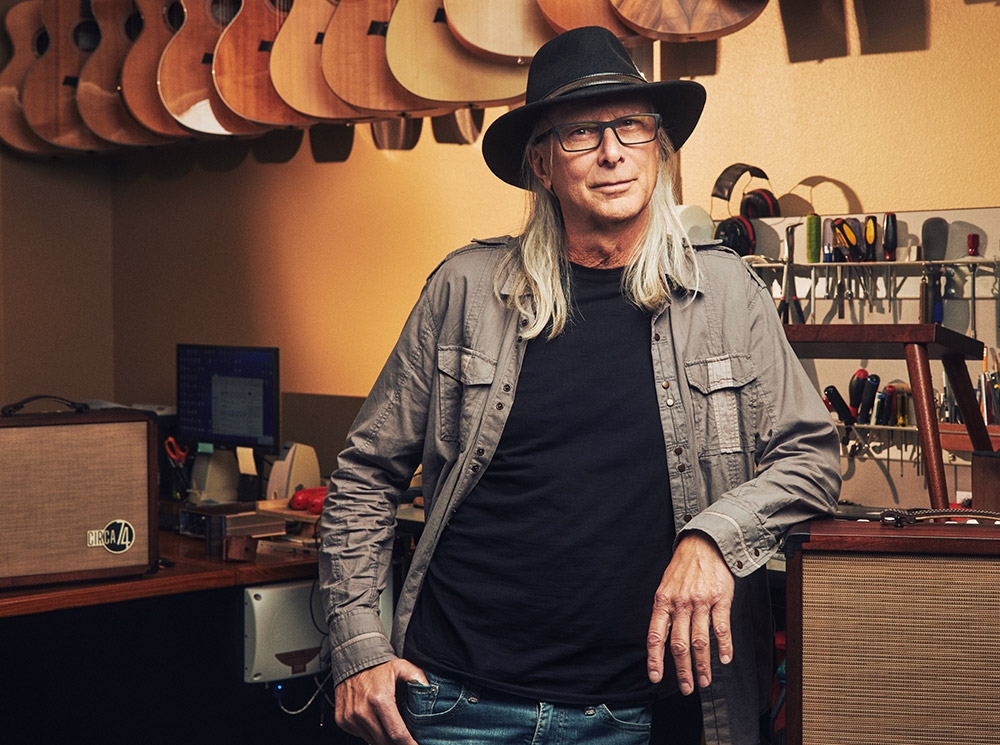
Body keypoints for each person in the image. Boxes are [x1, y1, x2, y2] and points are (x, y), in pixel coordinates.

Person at [319, 26, 841, 745]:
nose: (612, 151)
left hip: (636, 712)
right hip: (455, 702)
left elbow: (813, 458)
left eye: (632, 124)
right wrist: (357, 647)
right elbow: (365, 473)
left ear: (658, 145)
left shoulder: (724, 293)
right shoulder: (465, 290)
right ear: (540, 162)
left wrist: (715, 539)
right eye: (582, 134)